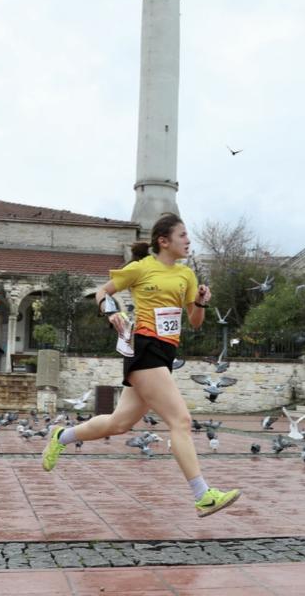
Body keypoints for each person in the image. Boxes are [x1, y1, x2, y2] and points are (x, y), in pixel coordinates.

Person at [41, 213, 241, 518]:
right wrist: (110, 313)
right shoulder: (140, 268)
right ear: (164, 241)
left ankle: (61, 436)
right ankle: (203, 495)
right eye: (183, 235)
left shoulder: (186, 276)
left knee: (119, 424)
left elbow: (195, 323)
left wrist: (201, 301)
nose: (188, 241)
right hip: (143, 347)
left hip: (166, 352)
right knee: (181, 420)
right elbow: (102, 292)